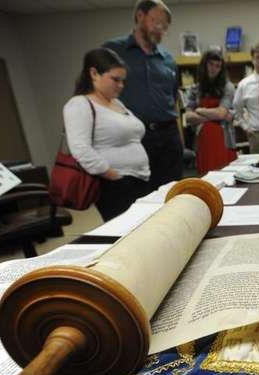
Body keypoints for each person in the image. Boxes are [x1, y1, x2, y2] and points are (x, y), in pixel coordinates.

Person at [103, 0, 183, 191]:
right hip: (133, 139)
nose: (161, 30)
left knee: (172, 195)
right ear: (140, 16)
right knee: (137, 198)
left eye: (165, 27)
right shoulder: (113, 51)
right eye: (157, 23)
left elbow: (172, 101)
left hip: (168, 138)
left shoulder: (168, 58)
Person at [63, 48, 150, 222]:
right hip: (114, 184)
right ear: (94, 73)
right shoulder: (79, 104)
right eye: (115, 80)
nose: (121, 86)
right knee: (128, 235)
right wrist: (114, 176)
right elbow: (80, 149)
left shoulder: (116, 102)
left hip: (139, 179)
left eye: (123, 81)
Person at [184, 50, 236, 175]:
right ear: (204, 65)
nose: (214, 68)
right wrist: (215, 115)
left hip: (224, 141)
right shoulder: (195, 89)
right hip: (202, 143)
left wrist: (200, 110)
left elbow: (221, 114)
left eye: (218, 66)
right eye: (211, 64)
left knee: (226, 178)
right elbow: (188, 117)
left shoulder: (227, 87)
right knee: (206, 180)